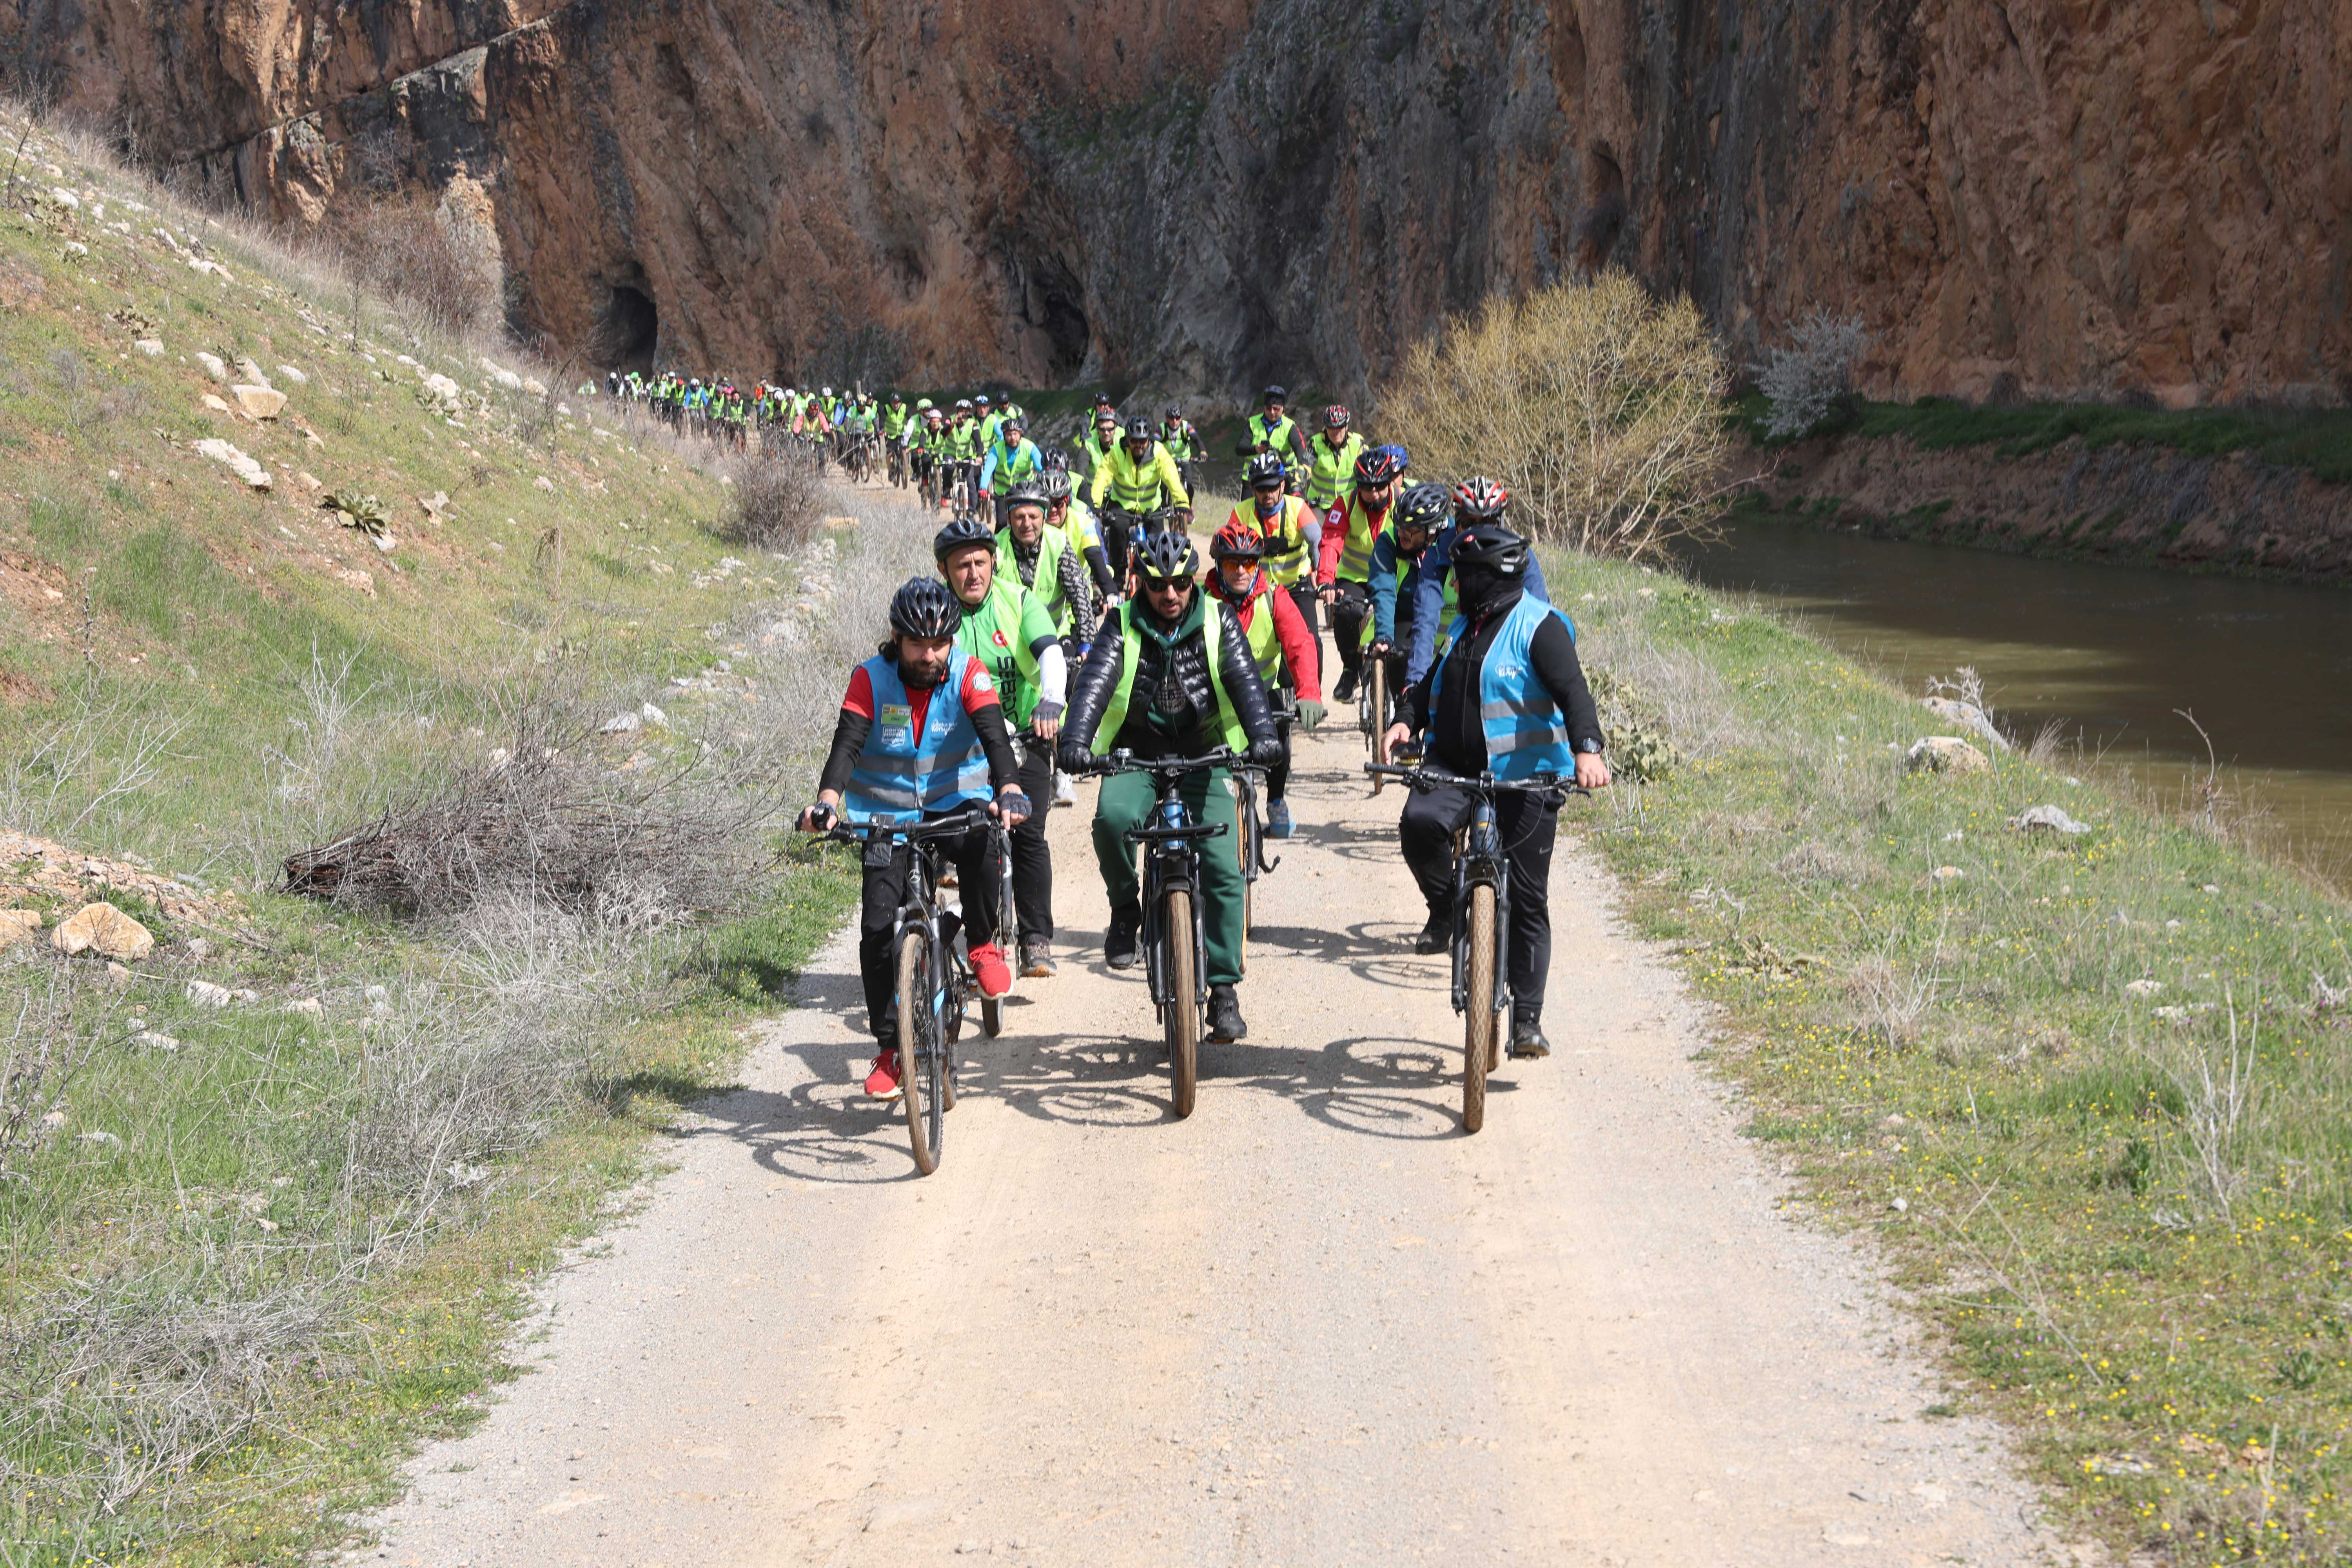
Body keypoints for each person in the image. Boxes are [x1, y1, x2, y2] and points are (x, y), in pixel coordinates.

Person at [1381, 500, 1611, 1060]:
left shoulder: (1540, 626)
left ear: (1487, 577)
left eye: (1463, 577)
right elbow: (1432, 685)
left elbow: (1574, 693)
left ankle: (1527, 1020)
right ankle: (1447, 907)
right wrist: (1406, 718)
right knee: (1418, 824)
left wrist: (1587, 749)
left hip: (1526, 779)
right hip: (1456, 767)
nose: (1455, 586)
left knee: (1529, 899)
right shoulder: (1466, 625)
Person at [799, 578, 1031, 1098]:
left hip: (956, 800)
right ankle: (891, 1049)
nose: (929, 656)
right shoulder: (870, 679)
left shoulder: (969, 672)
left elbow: (995, 737)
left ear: (952, 640)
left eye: (939, 644)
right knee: (877, 928)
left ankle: (982, 944)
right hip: (887, 815)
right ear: (897, 639)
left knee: (983, 841)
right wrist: (827, 803)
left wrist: (1010, 789)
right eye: (917, 644)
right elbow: (847, 745)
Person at [1058, 532, 1286, 1043]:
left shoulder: (1218, 619)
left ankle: (1223, 989)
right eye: (1159, 585)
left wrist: (1263, 736)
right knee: (1113, 821)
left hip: (1205, 753)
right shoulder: (1121, 623)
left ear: (1193, 581)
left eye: (1181, 584)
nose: (1170, 595)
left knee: (1224, 867)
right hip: (1137, 752)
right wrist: (1075, 741)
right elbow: (1095, 683)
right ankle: (1126, 910)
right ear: (1142, 583)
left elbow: (1245, 681)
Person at [935, 514, 1069, 980]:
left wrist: (1051, 699)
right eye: (961, 565)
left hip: (1024, 734)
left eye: (980, 562)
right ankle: (972, 936)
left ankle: (1035, 938)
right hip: (962, 746)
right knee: (973, 836)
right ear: (945, 571)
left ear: (994, 562)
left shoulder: (1018, 600)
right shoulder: (938, 614)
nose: (973, 573)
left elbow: (1050, 651)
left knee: (1028, 833)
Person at [1205, 517, 1324, 840]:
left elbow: (1300, 644)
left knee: (1280, 735)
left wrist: (1309, 693)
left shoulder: (1273, 597)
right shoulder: (1203, 601)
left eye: (1248, 563)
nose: (1240, 571)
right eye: (1231, 563)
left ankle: (1276, 800)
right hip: (1216, 696)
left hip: (1263, 691)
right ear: (1218, 565)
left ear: (1258, 564)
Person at [1398, 474, 1551, 686]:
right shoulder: (1438, 555)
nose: (1479, 532)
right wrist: (1416, 681)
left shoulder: (1520, 555)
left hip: (1501, 665)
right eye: (1469, 523)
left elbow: (1541, 617)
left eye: (1489, 523)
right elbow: (1426, 619)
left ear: (1501, 523)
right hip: (1444, 661)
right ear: (1457, 524)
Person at [1315, 446, 1405, 703]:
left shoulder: (1404, 501)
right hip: (1356, 578)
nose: (1374, 493)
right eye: (1367, 487)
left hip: (1395, 579)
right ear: (1358, 485)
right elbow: (1331, 543)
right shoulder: (1345, 503)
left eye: (1380, 486)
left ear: (1390, 481)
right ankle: (1350, 670)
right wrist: (1326, 581)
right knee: (1346, 613)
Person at [1362, 481, 1452, 718]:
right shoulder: (1389, 542)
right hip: (1402, 614)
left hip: (1447, 620)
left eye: (1410, 530)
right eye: (1399, 525)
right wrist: (1384, 635)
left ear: (1432, 529)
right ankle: (1405, 716)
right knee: (1399, 656)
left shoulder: (1454, 541)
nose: (1401, 533)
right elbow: (1384, 590)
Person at [1225, 448, 1324, 657]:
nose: (1267, 494)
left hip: (1298, 587)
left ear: (1283, 486)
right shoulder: (1241, 513)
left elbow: (1317, 542)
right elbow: (1228, 550)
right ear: (1253, 489)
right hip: (1259, 590)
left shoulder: (1298, 508)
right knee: (1247, 645)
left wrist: (1320, 573)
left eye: (1272, 487)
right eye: (1261, 489)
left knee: (1311, 644)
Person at [1087, 414, 1190, 580]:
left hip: (1151, 507)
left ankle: (1155, 581)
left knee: (1158, 546)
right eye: (1134, 441)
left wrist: (1182, 502)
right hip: (1121, 505)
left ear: (1149, 439)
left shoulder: (1159, 453)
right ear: (1127, 439)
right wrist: (1095, 504)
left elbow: (1172, 478)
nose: (1139, 445)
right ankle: (1118, 577)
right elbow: (1102, 477)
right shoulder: (1117, 453)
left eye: (1143, 441)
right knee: (1118, 532)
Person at [1236, 384, 1308, 492]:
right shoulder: (1252, 423)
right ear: (1264, 408)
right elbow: (1239, 449)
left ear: (1283, 409)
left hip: (1284, 479)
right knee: (1248, 504)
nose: (1272, 412)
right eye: (1269, 409)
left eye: (1276, 409)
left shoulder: (1290, 427)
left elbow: (1302, 454)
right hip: (1254, 478)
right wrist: (1255, 449)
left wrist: (1300, 478)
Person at [979, 413, 1046, 524]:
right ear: (1004, 435)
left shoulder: (1030, 447)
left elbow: (1041, 468)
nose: (1013, 438)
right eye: (1009, 435)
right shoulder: (997, 449)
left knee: (1028, 523)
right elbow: (988, 470)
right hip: (1003, 495)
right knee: (1001, 524)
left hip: (1026, 493)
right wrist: (983, 487)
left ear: (1020, 434)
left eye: (1015, 434)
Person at [1300, 405, 1365, 516]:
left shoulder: (1358, 443)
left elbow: (1368, 470)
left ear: (1346, 427)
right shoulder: (1315, 444)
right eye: (1331, 428)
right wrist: (1297, 488)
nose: (1336, 432)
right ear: (1326, 427)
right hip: (1319, 507)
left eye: (1340, 427)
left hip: (1350, 506)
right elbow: (1305, 467)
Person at [1160, 403, 1204, 498]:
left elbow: (1197, 440)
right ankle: (1163, 504)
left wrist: (1203, 452)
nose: (1175, 421)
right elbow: (1154, 441)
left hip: (1184, 459)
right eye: (1172, 418)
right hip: (1167, 460)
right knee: (1164, 485)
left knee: (1189, 485)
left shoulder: (1186, 426)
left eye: (1177, 418)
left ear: (1181, 418)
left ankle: (1189, 504)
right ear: (1167, 419)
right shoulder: (1162, 428)